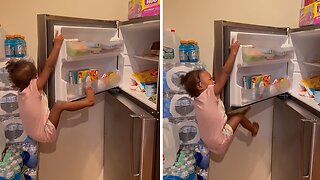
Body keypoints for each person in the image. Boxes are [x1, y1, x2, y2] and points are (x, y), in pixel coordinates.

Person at [5, 32, 95, 143]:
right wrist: (57, 45)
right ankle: (89, 101)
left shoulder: (21, 92)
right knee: (59, 106)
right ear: (34, 78)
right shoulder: (34, 87)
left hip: (32, 132)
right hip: (45, 133)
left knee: (54, 106)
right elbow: (48, 66)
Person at [180, 39, 259, 155]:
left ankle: (242, 114)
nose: (214, 81)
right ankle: (253, 129)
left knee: (229, 115)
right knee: (239, 117)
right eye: (210, 79)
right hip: (220, 141)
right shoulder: (210, 93)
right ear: (200, 85)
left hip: (208, 140)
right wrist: (233, 52)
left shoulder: (198, 100)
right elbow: (225, 72)